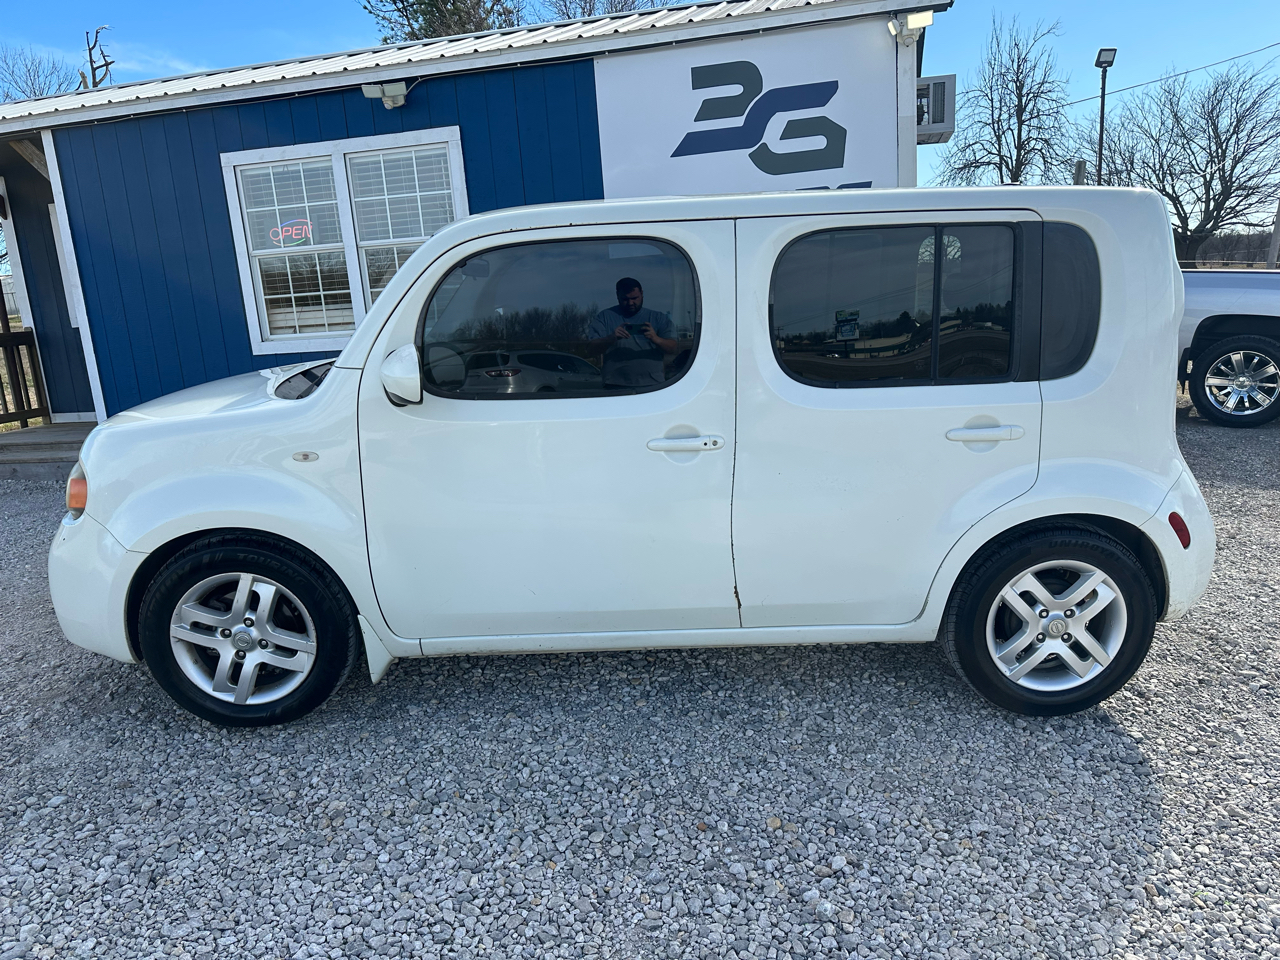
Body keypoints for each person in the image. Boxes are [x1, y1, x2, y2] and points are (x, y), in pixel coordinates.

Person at [586, 278, 678, 387]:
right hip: (614, 385)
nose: (630, 303)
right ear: (617, 296)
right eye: (625, 299)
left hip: (653, 386)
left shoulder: (659, 318)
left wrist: (656, 339)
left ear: (642, 293)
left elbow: (673, 348)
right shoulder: (604, 317)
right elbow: (591, 349)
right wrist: (611, 338)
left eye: (634, 298)